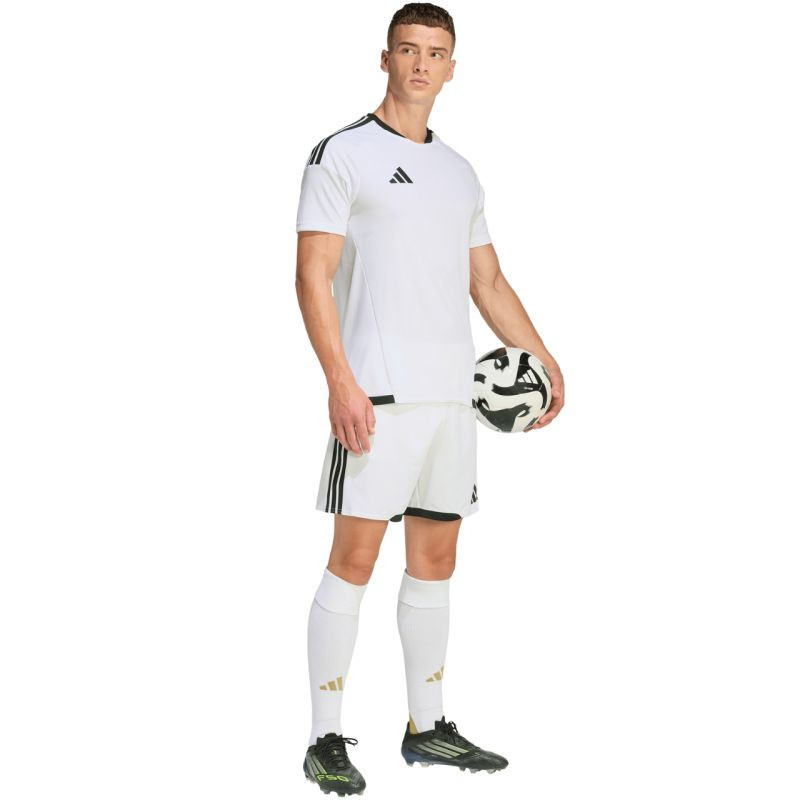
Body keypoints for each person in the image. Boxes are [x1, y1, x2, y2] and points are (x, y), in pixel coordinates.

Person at [295, 4, 564, 795]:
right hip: (376, 398)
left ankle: (427, 727)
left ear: (452, 67)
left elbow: (488, 282)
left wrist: (544, 358)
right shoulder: (341, 154)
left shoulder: (459, 171)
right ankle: (325, 737)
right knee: (354, 560)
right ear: (384, 58)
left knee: (436, 561)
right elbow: (312, 275)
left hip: (454, 401)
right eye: (408, 50)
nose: (421, 64)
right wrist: (339, 380)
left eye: (435, 53)